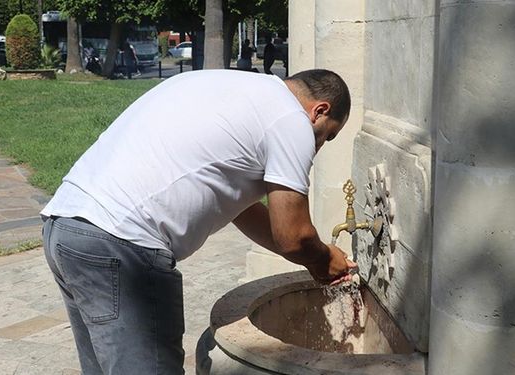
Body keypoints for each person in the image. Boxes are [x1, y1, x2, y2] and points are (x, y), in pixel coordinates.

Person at [41, 68, 356, 374]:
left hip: (67, 225)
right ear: (319, 110)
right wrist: (323, 257)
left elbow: (242, 210)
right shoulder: (292, 119)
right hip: (122, 245)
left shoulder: (229, 88)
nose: (319, 146)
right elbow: (293, 236)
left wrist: (311, 261)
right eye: (327, 135)